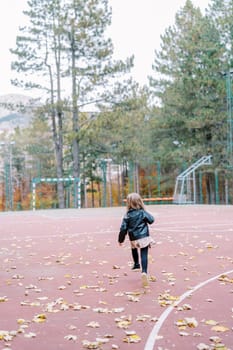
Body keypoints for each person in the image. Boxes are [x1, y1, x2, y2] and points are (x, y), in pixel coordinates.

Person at [118, 192, 155, 287]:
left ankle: (136, 264)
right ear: (139, 202)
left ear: (128, 203)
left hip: (133, 238)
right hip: (144, 237)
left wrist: (121, 240)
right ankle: (144, 272)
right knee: (144, 254)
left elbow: (123, 229)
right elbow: (151, 220)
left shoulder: (127, 215)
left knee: (134, 248)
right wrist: (144, 212)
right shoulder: (142, 212)